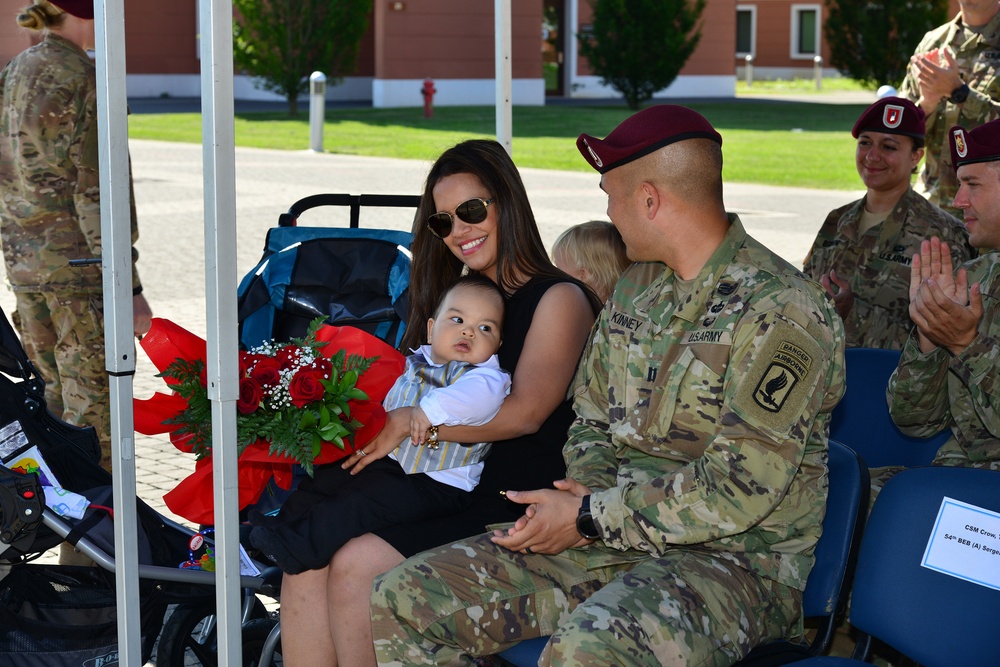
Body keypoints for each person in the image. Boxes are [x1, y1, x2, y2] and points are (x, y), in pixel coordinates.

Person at [369, 105, 847, 666]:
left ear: (650, 200)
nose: (609, 213)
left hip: (735, 565)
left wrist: (594, 515)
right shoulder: (635, 289)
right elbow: (593, 422)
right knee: (404, 597)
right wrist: (585, 504)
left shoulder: (782, 311)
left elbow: (737, 488)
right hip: (610, 534)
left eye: (612, 196)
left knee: (588, 648)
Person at [277, 139, 602, 666]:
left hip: (505, 496)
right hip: (433, 482)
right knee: (306, 555)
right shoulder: (457, 301)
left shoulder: (558, 297)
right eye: (443, 222)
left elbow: (526, 414)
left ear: (507, 203)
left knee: (357, 564)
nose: (460, 232)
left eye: (472, 211)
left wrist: (413, 425)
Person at [247, 275, 512, 574]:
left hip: (436, 483)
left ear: (498, 345)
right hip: (393, 465)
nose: (469, 331)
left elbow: (476, 401)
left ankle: (299, 548)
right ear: (431, 328)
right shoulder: (415, 364)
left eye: (485, 328)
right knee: (332, 475)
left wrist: (425, 412)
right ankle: (277, 527)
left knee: (361, 503)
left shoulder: (485, 377)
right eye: (457, 318)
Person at [0, 0, 153, 474]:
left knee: (46, 410)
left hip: (25, 267)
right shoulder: (86, 79)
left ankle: (64, 527)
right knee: (94, 418)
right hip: (81, 274)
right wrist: (128, 288)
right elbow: (97, 193)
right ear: (93, 14)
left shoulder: (16, 70)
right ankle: (100, 539)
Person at [803, 97, 973, 349]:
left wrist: (852, 313)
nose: (872, 156)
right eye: (865, 143)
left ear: (916, 156)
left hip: (892, 383)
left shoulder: (943, 234)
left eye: (889, 147)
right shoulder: (837, 219)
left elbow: (946, 340)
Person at [886, 119, 1000, 477]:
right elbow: (914, 421)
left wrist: (968, 345)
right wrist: (931, 337)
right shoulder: (976, 276)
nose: (958, 200)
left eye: (972, 185)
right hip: (961, 483)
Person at [899, 0, 1000, 215]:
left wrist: (959, 92)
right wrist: (926, 104)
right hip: (930, 208)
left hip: (992, 214)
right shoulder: (933, 42)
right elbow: (898, 131)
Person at [552, 219, 631, 302]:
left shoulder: (578, 307)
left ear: (583, 275)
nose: (554, 273)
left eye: (558, 268)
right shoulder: (624, 303)